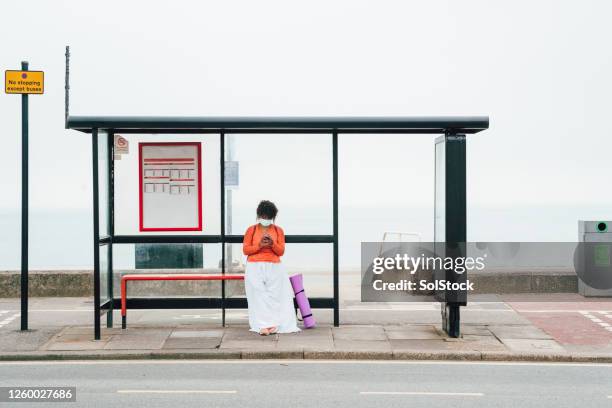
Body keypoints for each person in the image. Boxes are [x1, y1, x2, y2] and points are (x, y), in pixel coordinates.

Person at [242, 200, 300, 335]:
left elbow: (281, 251)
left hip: (274, 266)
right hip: (254, 265)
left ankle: (274, 324)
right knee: (258, 295)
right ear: (259, 215)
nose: (266, 219)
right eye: (264, 216)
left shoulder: (278, 230)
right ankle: (262, 325)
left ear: (273, 217)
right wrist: (260, 246)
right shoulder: (251, 230)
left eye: (268, 217)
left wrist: (272, 244)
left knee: (275, 295)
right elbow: (246, 250)